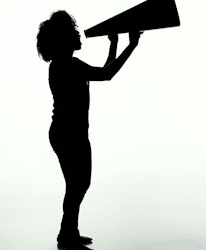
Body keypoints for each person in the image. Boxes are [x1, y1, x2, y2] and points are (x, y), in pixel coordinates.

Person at [36, 10, 141, 250]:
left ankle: (68, 231)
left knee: (78, 184)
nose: (80, 36)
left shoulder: (64, 64)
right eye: (74, 33)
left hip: (67, 133)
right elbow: (107, 74)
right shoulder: (67, 66)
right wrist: (131, 45)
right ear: (64, 40)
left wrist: (114, 44)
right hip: (69, 135)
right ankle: (66, 234)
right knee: (77, 185)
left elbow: (102, 71)